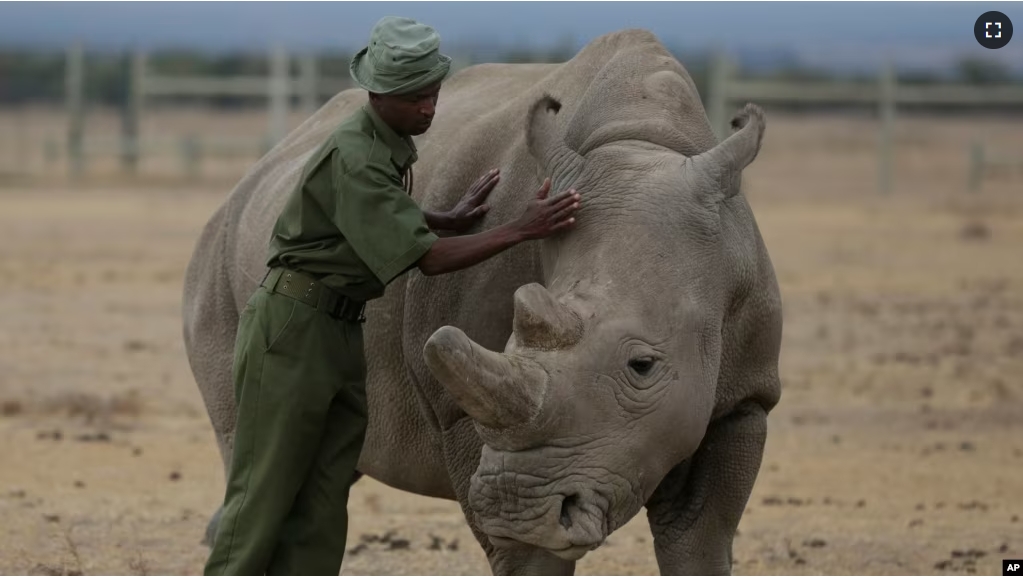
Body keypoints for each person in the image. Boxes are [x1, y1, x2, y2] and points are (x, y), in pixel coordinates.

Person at [203, 15, 582, 576]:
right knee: (265, 493)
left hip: (335, 325)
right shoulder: (354, 153)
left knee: (325, 493)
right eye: (415, 99)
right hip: (292, 328)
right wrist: (519, 228)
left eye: (433, 95)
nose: (429, 109)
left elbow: (371, 210)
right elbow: (425, 260)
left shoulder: (386, 142)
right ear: (379, 93)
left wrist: (443, 216)